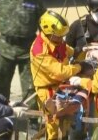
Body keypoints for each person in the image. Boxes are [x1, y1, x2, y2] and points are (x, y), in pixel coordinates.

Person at [30, 10, 88, 140]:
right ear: (48, 33)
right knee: (53, 128)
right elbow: (60, 72)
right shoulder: (40, 51)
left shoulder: (56, 40)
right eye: (59, 36)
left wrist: (82, 51)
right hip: (47, 91)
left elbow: (69, 51)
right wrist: (80, 67)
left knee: (66, 123)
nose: (62, 39)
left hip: (62, 87)